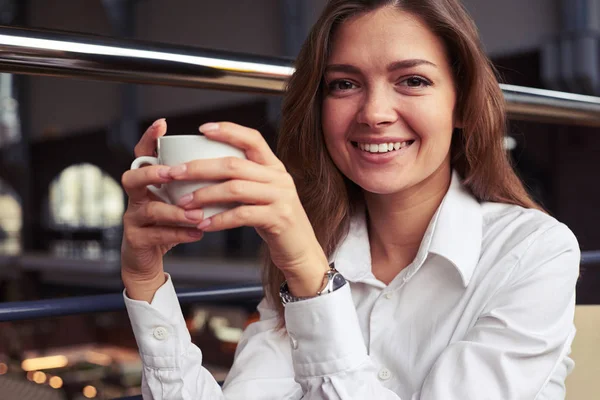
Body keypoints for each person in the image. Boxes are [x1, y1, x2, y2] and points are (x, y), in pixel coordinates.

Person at [120, 0, 580, 398]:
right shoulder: (316, 245)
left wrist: (310, 276)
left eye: (413, 81)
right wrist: (144, 279)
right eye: (344, 84)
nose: (375, 113)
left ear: (460, 104)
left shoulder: (535, 253)